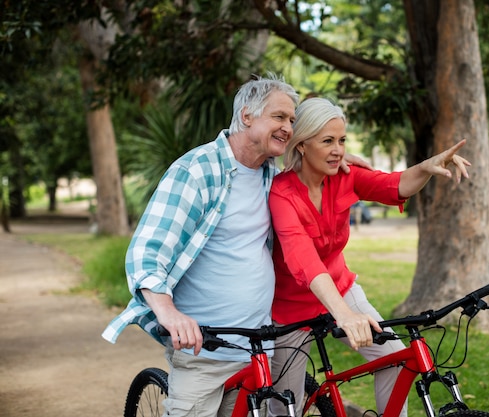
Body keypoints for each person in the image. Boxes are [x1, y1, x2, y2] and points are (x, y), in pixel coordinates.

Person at [101, 76, 368, 417]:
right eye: (280, 117)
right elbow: (146, 253)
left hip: (260, 348)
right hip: (207, 352)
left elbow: (312, 154)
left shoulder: (271, 174)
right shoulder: (196, 171)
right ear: (246, 116)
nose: (289, 127)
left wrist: (340, 156)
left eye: (291, 120)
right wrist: (169, 313)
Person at [267, 97, 471, 417]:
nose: (339, 150)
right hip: (291, 306)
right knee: (284, 406)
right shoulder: (282, 193)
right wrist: (344, 315)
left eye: (342, 140)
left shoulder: (344, 176)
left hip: (341, 287)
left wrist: (427, 166)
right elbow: (303, 258)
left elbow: (393, 185)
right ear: (302, 145)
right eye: (328, 141)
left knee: (395, 359)